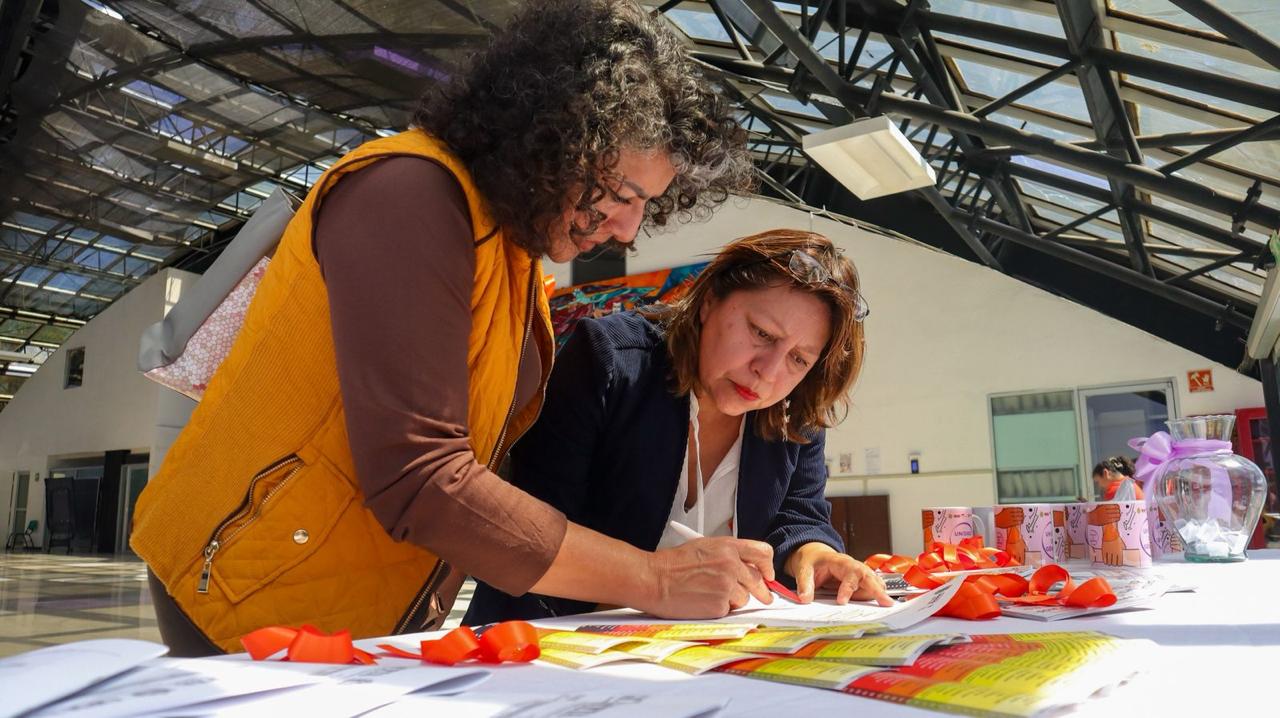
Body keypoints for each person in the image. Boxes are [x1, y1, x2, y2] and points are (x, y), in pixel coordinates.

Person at [130, 0, 761, 656]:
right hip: (244, 591)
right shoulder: (409, 194)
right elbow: (422, 477)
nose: (628, 228)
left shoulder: (509, 247)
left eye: (646, 205)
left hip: (352, 604)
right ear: (552, 134)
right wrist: (651, 578)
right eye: (622, 194)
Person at [465, 230, 893, 625]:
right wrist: (656, 580)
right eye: (762, 333)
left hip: (692, 654)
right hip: (535, 638)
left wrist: (815, 554)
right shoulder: (608, 359)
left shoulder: (794, 409)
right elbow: (527, 528)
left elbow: (798, 514)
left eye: (799, 359)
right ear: (709, 300)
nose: (768, 372)